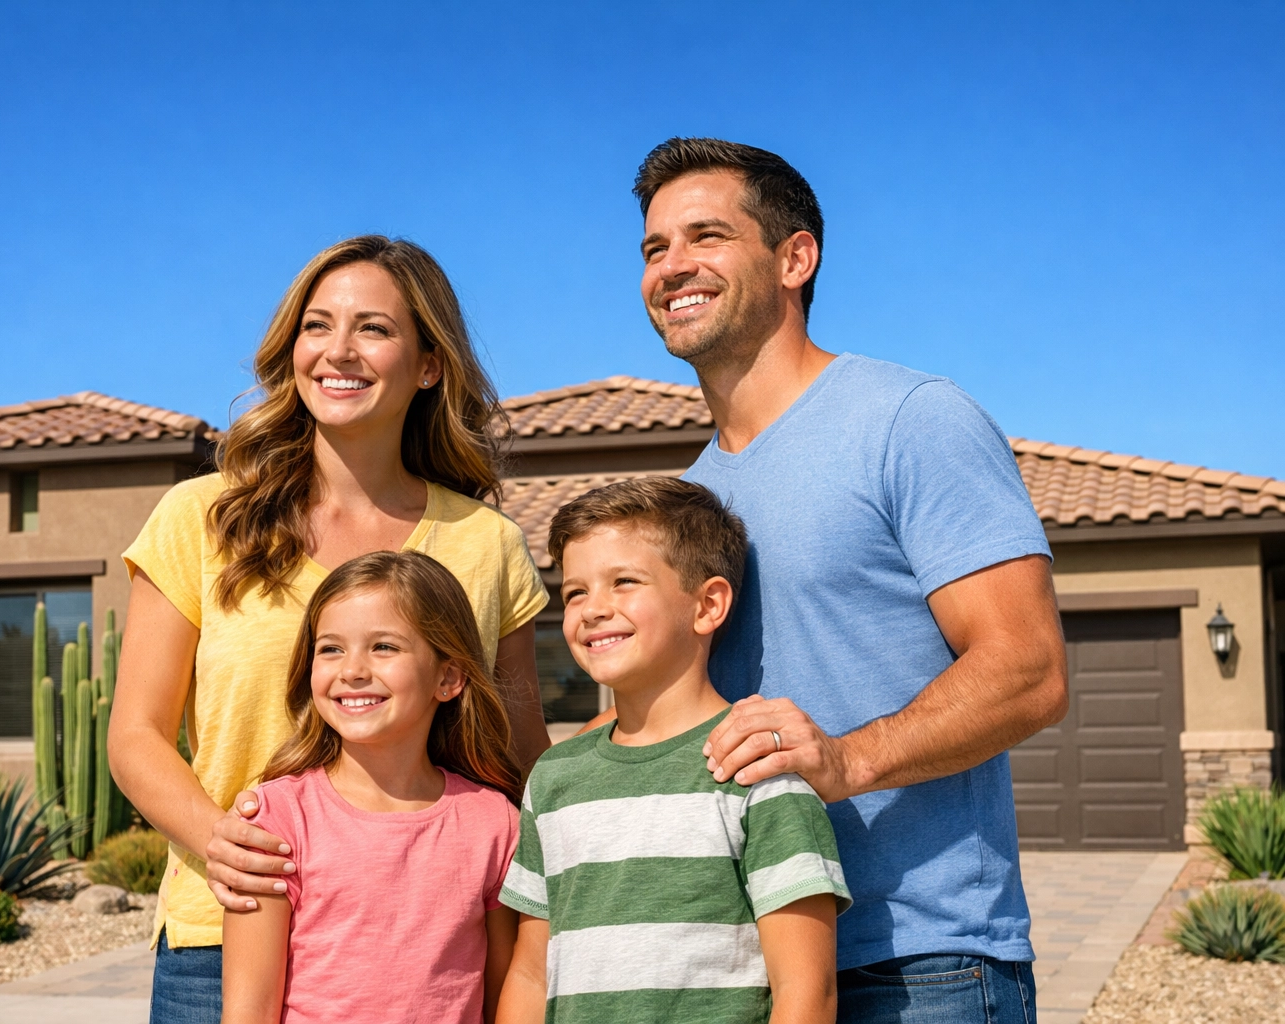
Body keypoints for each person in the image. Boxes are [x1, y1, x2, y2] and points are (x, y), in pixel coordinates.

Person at [619, 137, 1068, 1023]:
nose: (672, 267)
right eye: (653, 248)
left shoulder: (909, 421)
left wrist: (845, 760)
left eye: (705, 236)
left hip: (920, 963)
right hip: (751, 959)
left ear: (795, 257)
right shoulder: (691, 497)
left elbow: (1029, 670)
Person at [107, 236, 552, 1024]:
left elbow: (518, 757)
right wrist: (223, 844)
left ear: (429, 364)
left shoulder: (488, 546)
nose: (338, 351)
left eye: (373, 329)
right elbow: (136, 735)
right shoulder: (199, 518)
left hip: (424, 950)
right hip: (226, 932)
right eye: (318, 326)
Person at [496, 478, 849, 1024]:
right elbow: (529, 972)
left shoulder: (756, 769)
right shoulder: (554, 777)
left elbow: (807, 994)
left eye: (624, 582)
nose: (592, 610)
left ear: (708, 605)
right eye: (575, 592)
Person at [221, 551, 522, 1024]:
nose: (353, 669)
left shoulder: (495, 822)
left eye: (384, 647)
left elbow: (506, 998)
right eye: (331, 648)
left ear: (448, 677)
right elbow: (247, 1013)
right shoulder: (277, 820)